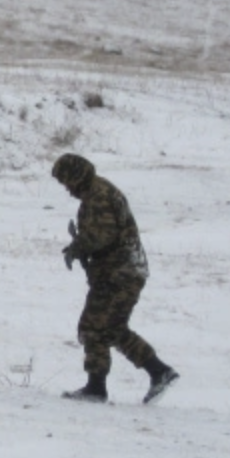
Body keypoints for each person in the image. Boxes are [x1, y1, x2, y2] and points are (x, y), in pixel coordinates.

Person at [51, 153, 180, 405]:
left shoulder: (99, 195)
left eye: (67, 182)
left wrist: (79, 246)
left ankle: (101, 387)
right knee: (106, 328)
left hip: (120, 274)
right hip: (120, 272)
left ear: (76, 177)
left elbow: (103, 235)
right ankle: (154, 373)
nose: (67, 190)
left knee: (97, 327)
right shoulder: (95, 193)